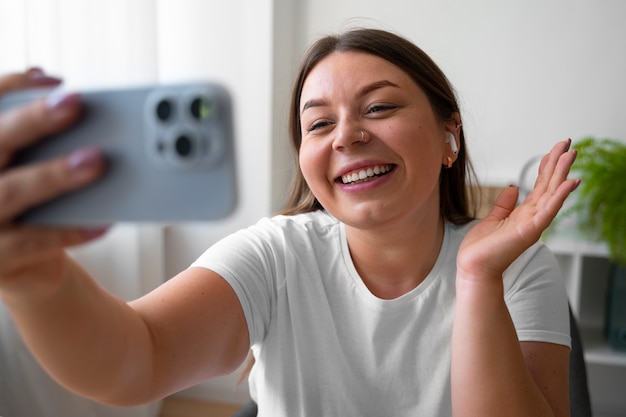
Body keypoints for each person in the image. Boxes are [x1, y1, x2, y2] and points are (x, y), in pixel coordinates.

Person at [0, 28, 579, 417]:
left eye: (379, 107)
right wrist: (35, 278)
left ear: (449, 136)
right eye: (319, 124)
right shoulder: (277, 254)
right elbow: (138, 358)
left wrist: (477, 282)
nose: (348, 136)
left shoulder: (516, 266)